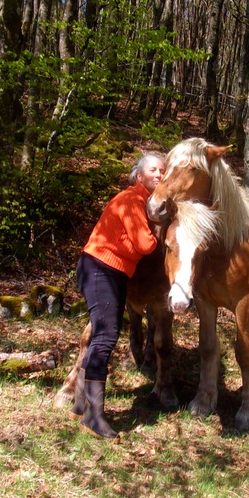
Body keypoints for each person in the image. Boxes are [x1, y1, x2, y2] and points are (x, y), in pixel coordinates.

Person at [70, 152, 166, 439]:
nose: (160, 174)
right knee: (106, 336)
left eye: (163, 170)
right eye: (153, 170)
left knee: (103, 334)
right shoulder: (133, 200)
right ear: (140, 176)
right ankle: (94, 416)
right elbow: (144, 244)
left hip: (108, 270)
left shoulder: (135, 200)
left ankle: (80, 403)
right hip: (102, 269)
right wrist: (159, 230)